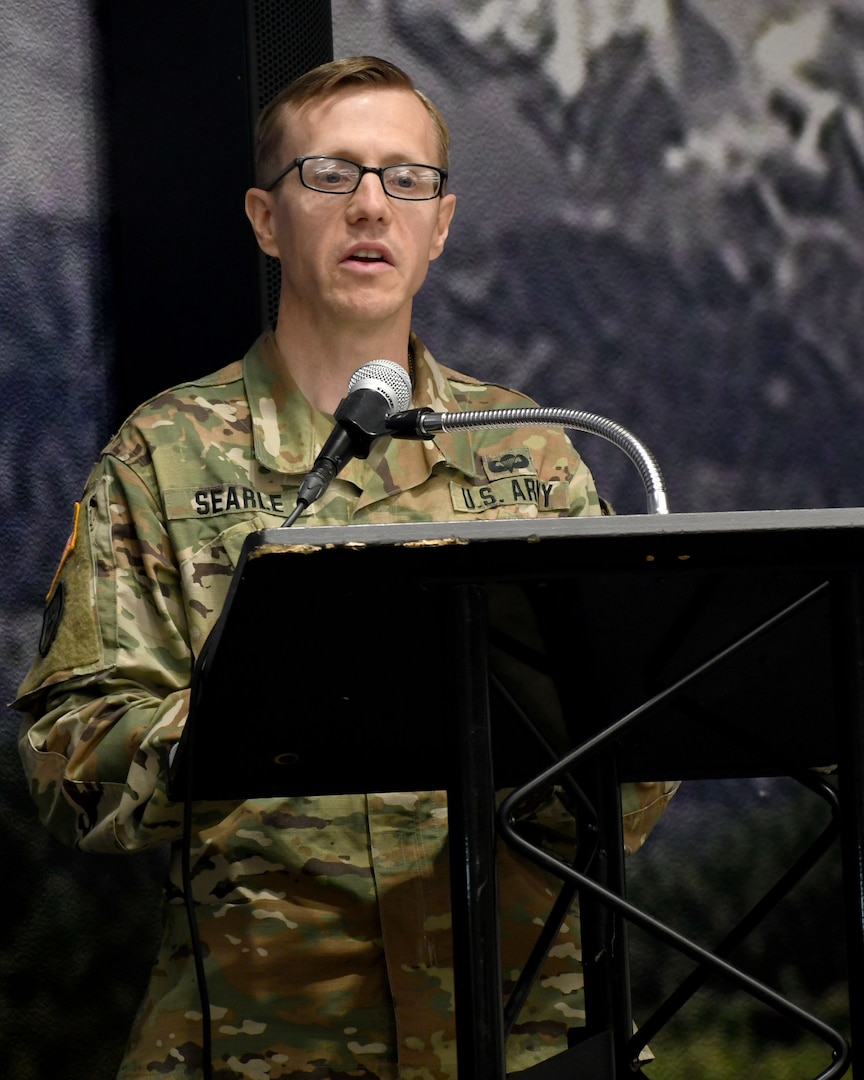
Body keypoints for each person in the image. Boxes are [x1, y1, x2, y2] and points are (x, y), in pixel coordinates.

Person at [14, 56, 677, 1079]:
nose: (372, 205)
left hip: (519, 1036)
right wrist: (244, 726)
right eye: (330, 174)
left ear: (441, 226)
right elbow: (68, 760)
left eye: (405, 179)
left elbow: (626, 767)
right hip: (263, 1043)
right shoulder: (165, 454)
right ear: (265, 219)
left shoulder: (531, 452)